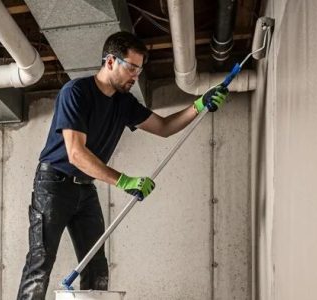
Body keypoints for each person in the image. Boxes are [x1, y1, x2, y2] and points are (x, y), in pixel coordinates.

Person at [16, 31, 229, 300]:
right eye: (131, 68)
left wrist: (199, 105)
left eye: (139, 70)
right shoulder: (77, 92)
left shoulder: (123, 103)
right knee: (41, 262)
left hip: (85, 188)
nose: (135, 76)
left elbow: (164, 127)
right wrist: (125, 181)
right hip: (53, 185)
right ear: (110, 62)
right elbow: (76, 154)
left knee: (96, 267)